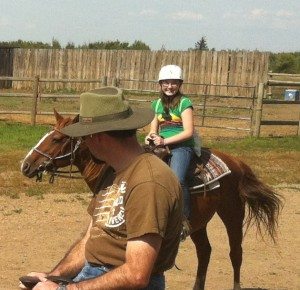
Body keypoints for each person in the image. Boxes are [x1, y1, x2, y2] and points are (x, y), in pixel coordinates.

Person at [19, 87, 183, 290]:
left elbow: (136, 274)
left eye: (84, 137)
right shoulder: (111, 173)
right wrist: (52, 276)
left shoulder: (148, 182)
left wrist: (65, 289)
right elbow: (91, 238)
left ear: (97, 136)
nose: (84, 144)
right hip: (96, 274)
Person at [145, 65, 199, 235]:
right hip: (162, 144)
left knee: (177, 178)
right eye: (166, 83)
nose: (170, 86)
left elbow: (189, 131)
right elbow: (153, 128)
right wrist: (150, 137)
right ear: (160, 84)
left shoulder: (185, 103)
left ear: (180, 84)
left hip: (182, 145)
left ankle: (184, 220)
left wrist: (165, 140)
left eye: (174, 83)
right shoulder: (156, 104)